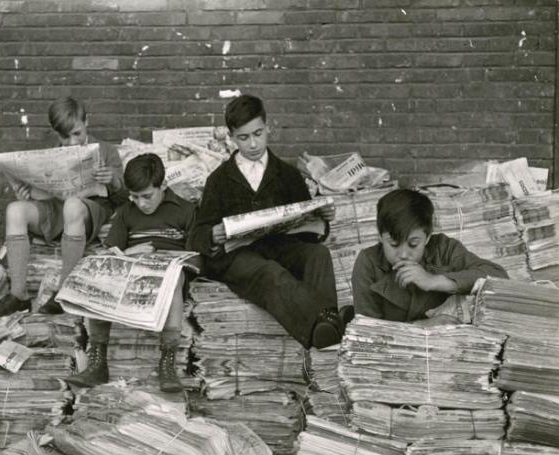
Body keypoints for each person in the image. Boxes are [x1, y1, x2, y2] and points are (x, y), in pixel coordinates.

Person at [188, 94, 351, 349]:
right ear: (231, 136)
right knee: (270, 273)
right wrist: (213, 235)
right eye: (243, 138)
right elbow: (197, 233)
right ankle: (330, 323)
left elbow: (306, 230)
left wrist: (320, 218)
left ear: (268, 127)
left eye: (258, 133)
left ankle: (325, 330)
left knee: (318, 255)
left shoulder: (287, 174)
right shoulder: (218, 180)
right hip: (238, 256)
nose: (253, 144)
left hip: (280, 248)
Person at [66, 153, 197, 393]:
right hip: (131, 272)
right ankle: (98, 362)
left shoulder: (185, 211)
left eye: (147, 196)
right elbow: (110, 252)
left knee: (176, 276)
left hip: (168, 276)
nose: (141, 203)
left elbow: (197, 256)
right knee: (101, 275)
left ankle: (168, 363)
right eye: (134, 197)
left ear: (163, 186)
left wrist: (167, 261)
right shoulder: (126, 212)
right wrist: (131, 252)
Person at [0, 96, 126, 316]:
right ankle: (18, 296)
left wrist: (112, 180)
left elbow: (123, 198)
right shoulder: (49, 153)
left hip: (89, 211)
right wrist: (25, 194)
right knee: (15, 210)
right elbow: (41, 193)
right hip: (55, 209)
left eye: (77, 133)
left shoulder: (105, 150)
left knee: (73, 205)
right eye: (65, 136)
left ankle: (64, 293)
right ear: (56, 133)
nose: (72, 142)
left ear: (87, 122)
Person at [352, 188, 509, 325]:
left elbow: (498, 277)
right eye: (393, 244)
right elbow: (367, 331)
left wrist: (435, 281)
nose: (404, 254)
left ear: (427, 237)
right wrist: (420, 326)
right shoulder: (369, 263)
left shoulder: (443, 249)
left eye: (413, 244)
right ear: (380, 236)